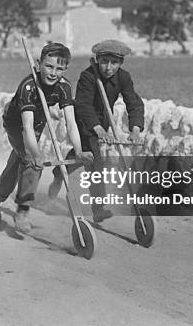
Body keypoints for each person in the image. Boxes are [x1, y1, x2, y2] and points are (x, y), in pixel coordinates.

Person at [0, 42, 93, 233]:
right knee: (31, 161)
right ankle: (23, 209)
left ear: (65, 69)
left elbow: (71, 122)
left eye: (59, 69)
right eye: (49, 66)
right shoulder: (28, 86)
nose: (53, 73)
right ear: (38, 64)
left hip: (37, 121)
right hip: (17, 124)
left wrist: (79, 150)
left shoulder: (64, 87)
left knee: (19, 163)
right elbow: (26, 127)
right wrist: (35, 154)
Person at [47, 39, 144, 222]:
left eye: (114, 63)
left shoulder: (124, 77)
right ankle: (98, 208)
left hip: (103, 122)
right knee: (95, 162)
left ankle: (59, 173)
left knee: (82, 155)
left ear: (120, 63)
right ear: (97, 60)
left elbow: (134, 102)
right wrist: (98, 129)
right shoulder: (88, 76)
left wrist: (136, 129)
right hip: (84, 121)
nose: (108, 67)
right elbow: (83, 105)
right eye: (104, 61)